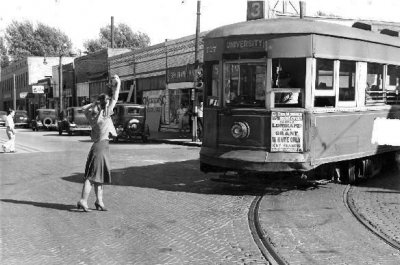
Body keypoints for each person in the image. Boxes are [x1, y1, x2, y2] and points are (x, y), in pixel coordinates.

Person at [76, 75, 121, 212]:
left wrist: (94, 102)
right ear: (105, 104)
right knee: (92, 176)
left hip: (97, 146)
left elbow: (83, 108)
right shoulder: (105, 114)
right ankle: (83, 200)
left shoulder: (92, 116)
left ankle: (99, 201)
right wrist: (118, 84)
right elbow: (115, 97)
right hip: (101, 146)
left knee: (98, 176)